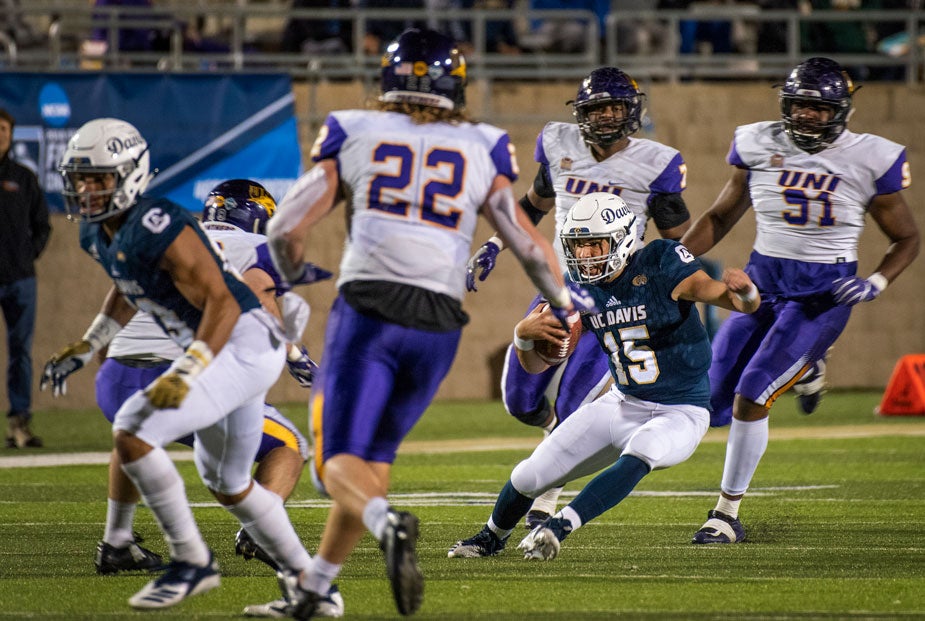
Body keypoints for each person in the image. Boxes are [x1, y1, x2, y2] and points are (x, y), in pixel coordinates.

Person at [264, 27, 586, 617]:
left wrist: (286, 278)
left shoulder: (355, 129)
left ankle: (386, 524)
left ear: (387, 81)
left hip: (371, 312)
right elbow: (528, 244)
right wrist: (565, 305)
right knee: (371, 463)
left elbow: (285, 227)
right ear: (455, 87)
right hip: (439, 325)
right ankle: (316, 590)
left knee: (333, 465)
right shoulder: (482, 143)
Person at [40, 118, 320, 619]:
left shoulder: (163, 223)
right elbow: (130, 284)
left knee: (134, 429)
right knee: (235, 478)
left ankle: (176, 555)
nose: (85, 191)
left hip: (230, 350)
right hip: (215, 352)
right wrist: (91, 341)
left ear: (130, 174)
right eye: (80, 180)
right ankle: (310, 585)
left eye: (98, 179)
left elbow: (226, 301)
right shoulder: (102, 232)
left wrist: (186, 368)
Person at [681, 57, 920, 544]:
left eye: (819, 107)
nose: (807, 115)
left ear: (841, 110)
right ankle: (809, 368)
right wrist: (677, 258)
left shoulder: (871, 156)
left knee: (753, 392)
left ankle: (726, 513)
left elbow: (907, 237)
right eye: (798, 105)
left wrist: (875, 283)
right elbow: (721, 215)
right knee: (711, 396)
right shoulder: (757, 142)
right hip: (761, 286)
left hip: (821, 296)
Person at [448, 192, 761, 560]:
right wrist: (522, 338)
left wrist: (747, 293)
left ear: (623, 238)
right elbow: (536, 366)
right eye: (577, 246)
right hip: (622, 402)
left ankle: (560, 526)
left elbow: (733, 300)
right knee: (530, 474)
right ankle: (490, 537)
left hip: (681, 411)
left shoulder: (660, 262)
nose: (585, 255)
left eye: (594, 244)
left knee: (644, 449)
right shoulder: (578, 289)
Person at [466, 66, 692, 528]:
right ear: (580, 113)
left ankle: (547, 497)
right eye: (597, 108)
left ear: (632, 110)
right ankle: (551, 434)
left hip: (614, 297)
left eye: (615, 107)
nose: (606, 116)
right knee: (520, 401)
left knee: (576, 403)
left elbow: (678, 242)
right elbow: (531, 206)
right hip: (560, 289)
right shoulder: (559, 144)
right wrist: (493, 243)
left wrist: (665, 293)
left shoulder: (655, 163)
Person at [1, 107, 51, 449]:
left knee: (20, 352)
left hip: (20, 280)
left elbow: (42, 226)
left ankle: (19, 424)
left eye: (3, 129)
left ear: (11, 134)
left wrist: (25, 255)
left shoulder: (24, 177)